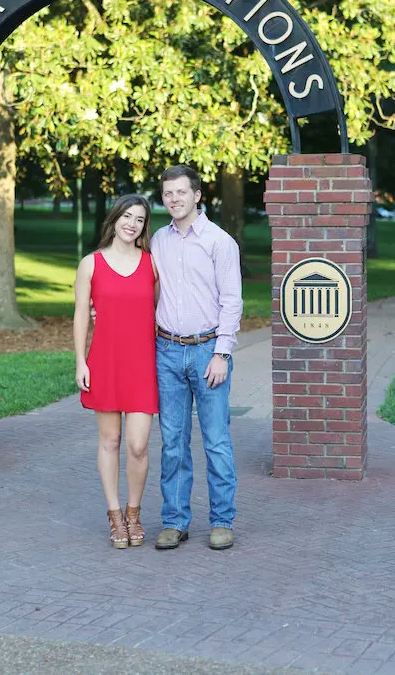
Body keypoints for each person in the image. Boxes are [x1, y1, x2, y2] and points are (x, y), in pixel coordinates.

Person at [151, 164, 243, 551]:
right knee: (172, 441)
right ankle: (175, 521)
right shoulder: (158, 239)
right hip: (167, 351)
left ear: (197, 195)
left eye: (181, 193)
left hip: (208, 352)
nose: (174, 199)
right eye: (168, 193)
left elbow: (232, 302)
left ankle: (222, 521)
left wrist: (222, 353)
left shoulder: (220, 242)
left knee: (216, 440)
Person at [74, 194, 159, 549]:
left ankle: (134, 512)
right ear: (114, 219)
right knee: (110, 441)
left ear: (144, 227)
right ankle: (115, 516)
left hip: (141, 363)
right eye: (127, 216)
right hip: (104, 362)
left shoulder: (152, 264)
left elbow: (157, 312)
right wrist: (80, 361)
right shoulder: (90, 264)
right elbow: (81, 313)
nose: (132, 224)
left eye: (139, 219)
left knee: (138, 445)